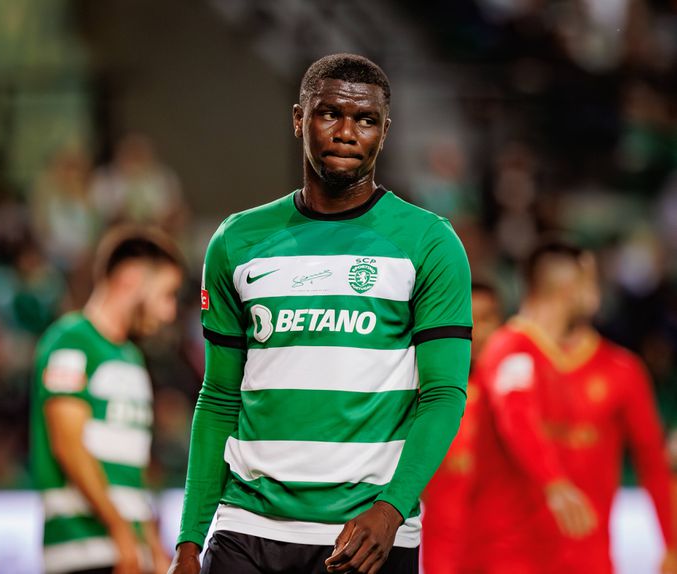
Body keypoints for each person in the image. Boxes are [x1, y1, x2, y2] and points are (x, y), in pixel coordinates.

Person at [169, 53, 473, 574]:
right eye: (330, 113)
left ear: (385, 131)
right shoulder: (237, 241)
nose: (347, 132)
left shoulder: (429, 243)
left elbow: (444, 395)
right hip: (248, 527)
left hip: (366, 536)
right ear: (298, 119)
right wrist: (189, 541)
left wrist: (391, 509)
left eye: (366, 119)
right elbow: (218, 397)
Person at [31, 227, 183, 574]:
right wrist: (119, 529)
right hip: (82, 548)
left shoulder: (131, 357)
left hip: (128, 552)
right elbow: (68, 446)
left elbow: (130, 475)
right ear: (131, 278)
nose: (169, 312)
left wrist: (150, 545)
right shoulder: (70, 341)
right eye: (166, 294)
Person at [466, 241, 598, 574]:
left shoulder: (553, 357)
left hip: (544, 552)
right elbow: (516, 416)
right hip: (506, 552)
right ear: (569, 288)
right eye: (591, 282)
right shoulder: (512, 348)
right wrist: (555, 483)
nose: (597, 294)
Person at [558, 251, 677, 573]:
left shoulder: (622, 371)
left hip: (603, 534)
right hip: (518, 547)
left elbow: (652, 460)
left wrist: (671, 543)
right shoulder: (514, 361)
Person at [421, 282, 502, 574]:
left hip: (503, 550)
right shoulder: (425, 393)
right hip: (442, 550)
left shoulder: (517, 393)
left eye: (486, 318)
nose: (477, 330)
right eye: (469, 318)